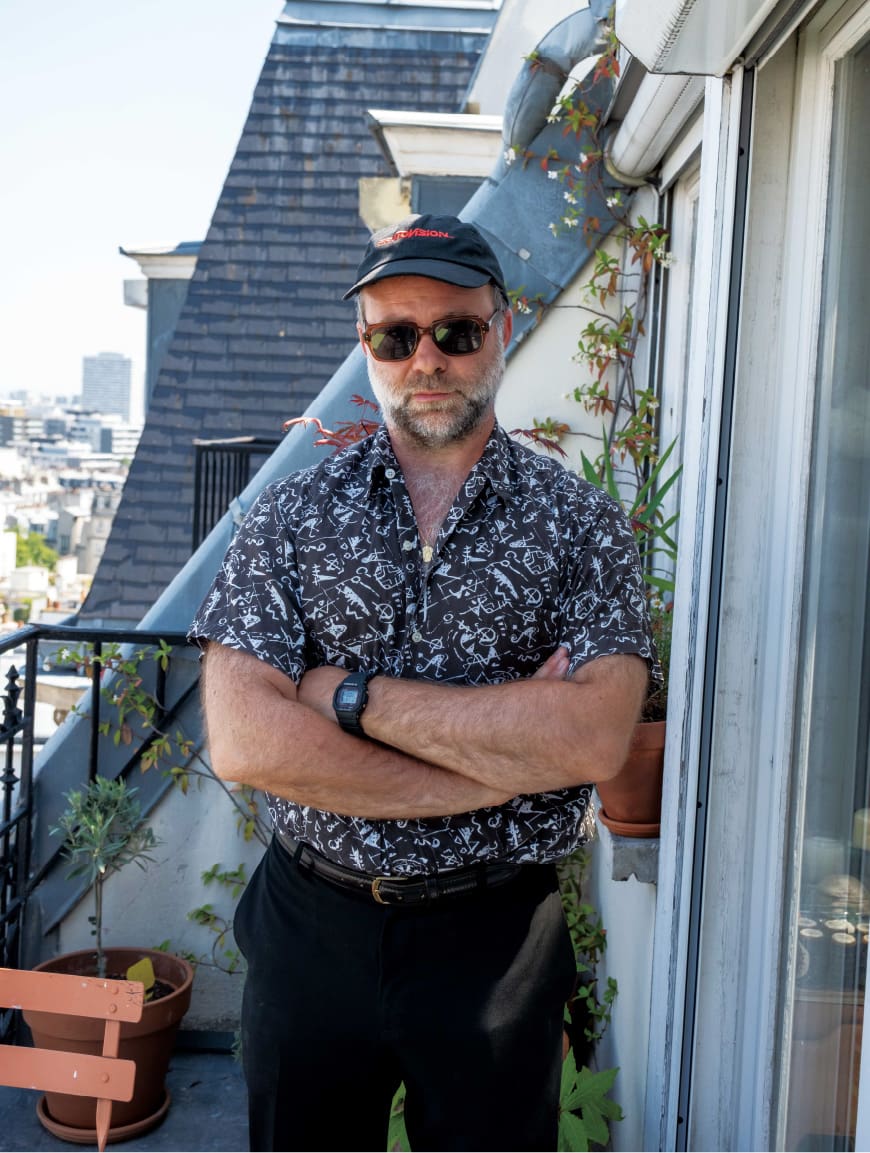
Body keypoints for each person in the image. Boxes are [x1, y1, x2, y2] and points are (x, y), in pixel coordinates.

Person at [189, 212, 656, 1152]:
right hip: (311, 924)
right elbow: (245, 739)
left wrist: (347, 696)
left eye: (455, 330)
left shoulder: (582, 527)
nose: (427, 358)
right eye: (395, 336)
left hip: (495, 933)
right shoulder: (289, 516)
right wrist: (492, 766)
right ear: (366, 346)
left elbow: (596, 739)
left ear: (502, 329)